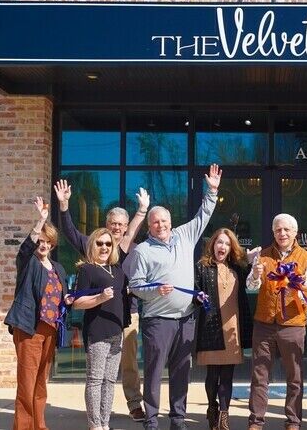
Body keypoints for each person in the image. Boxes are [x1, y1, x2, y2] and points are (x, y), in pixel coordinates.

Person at [123, 164, 222, 430]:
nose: (161, 225)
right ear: (149, 226)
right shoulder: (142, 251)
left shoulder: (184, 235)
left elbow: (203, 215)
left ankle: (178, 419)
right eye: (155, 222)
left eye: (164, 221)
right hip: (158, 320)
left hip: (186, 318)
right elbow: (135, 286)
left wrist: (212, 191)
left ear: (170, 221)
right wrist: (155, 289)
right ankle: (151, 420)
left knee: (181, 371)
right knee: (154, 372)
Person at [54, 179, 150, 422]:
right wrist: (64, 207)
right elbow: (70, 232)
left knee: (127, 363)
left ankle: (133, 404)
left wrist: (142, 210)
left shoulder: (128, 248)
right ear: (106, 226)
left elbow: (132, 232)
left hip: (127, 314)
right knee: (98, 375)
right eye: (112, 224)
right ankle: (97, 419)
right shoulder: (93, 246)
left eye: (120, 224)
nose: (116, 228)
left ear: (125, 227)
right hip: (99, 318)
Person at [4, 196, 72, 430]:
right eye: (40, 241)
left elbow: (60, 296)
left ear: (53, 244)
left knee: (41, 381)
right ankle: (23, 427)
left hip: (51, 329)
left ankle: (39, 425)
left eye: (47, 242)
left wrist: (67, 300)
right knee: (27, 380)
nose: (43, 245)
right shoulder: (28, 263)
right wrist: (41, 220)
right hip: (29, 327)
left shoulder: (59, 268)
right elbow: (25, 249)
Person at [246, 213, 307, 430]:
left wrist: (296, 288)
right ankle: (256, 421)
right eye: (278, 230)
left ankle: (293, 421)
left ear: (295, 233)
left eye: (287, 229)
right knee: (259, 375)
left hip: (293, 324)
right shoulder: (262, 256)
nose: (282, 233)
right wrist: (255, 274)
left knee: (294, 376)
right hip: (264, 323)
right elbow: (251, 286)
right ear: (273, 232)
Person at [195, 228, 254, 430]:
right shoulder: (202, 267)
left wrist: (251, 259)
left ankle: (224, 416)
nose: (223, 247)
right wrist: (198, 297)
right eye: (220, 242)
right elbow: (194, 292)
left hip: (232, 328)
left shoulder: (237, 268)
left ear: (231, 248)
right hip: (211, 328)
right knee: (213, 376)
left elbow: (253, 279)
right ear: (213, 244)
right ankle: (212, 407)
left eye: (227, 244)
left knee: (227, 376)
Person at [72, 228, 131, 430]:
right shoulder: (87, 270)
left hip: (116, 332)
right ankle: (94, 425)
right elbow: (77, 302)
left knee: (109, 381)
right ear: (92, 245)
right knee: (95, 380)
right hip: (97, 332)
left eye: (108, 244)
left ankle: (105, 423)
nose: (104, 247)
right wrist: (100, 298)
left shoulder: (118, 270)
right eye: (100, 243)